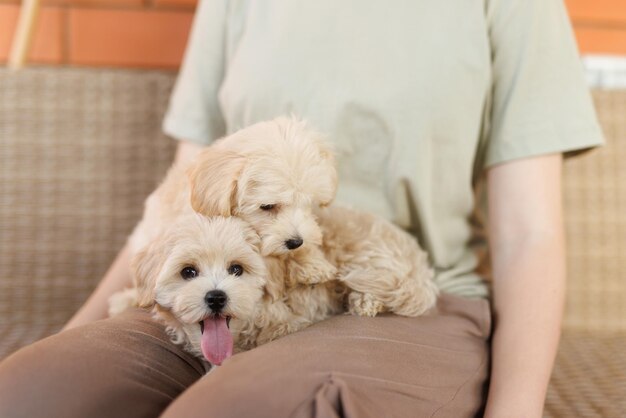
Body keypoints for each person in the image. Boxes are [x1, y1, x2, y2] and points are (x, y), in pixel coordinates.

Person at [0, 0, 603, 417]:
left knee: (251, 409)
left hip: (396, 305)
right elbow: (179, 199)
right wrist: (74, 334)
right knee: (30, 393)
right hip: (228, 284)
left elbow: (530, 232)